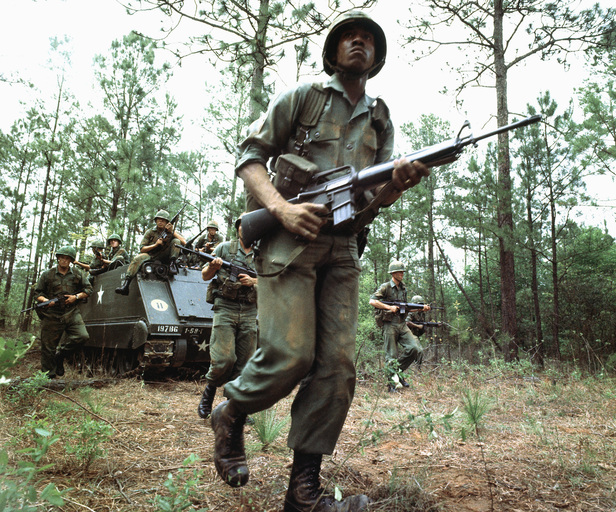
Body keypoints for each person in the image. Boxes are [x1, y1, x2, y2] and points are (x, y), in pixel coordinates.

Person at [210, 11, 431, 512]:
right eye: (350, 37)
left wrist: (396, 184)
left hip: (344, 249)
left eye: (369, 39)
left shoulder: (379, 116)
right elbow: (250, 158)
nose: (360, 43)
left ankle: (302, 492)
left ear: (377, 58)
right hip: (289, 243)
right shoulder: (304, 96)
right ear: (333, 51)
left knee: (337, 367)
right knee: (291, 355)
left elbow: (375, 196)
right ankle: (231, 411)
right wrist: (281, 209)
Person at [197, 216, 257, 419]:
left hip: (250, 311)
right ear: (238, 228)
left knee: (245, 363)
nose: (245, 229)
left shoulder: (263, 255)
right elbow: (205, 275)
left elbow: (275, 281)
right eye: (242, 225)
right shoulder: (224, 248)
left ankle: (235, 406)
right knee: (224, 359)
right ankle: (209, 393)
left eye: (250, 226)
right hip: (225, 308)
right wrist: (213, 266)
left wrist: (253, 281)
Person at [369, 261, 429, 392]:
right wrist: (388, 307)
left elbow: (404, 308)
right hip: (389, 325)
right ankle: (392, 384)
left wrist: (420, 309)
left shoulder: (403, 289)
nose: (402, 274)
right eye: (400, 272)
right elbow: (372, 301)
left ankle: (398, 372)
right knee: (391, 355)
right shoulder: (385, 287)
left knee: (415, 349)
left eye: (403, 272)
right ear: (393, 273)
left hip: (402, 324)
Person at [34, 246, 93, 378]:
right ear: (58, 258)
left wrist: (75, 297)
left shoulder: (78, 274)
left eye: (67, 258)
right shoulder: (47, 274)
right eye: (62, 258)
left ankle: (60, 355)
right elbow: (37, 293)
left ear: (71, 260)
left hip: (71, 312)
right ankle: (49, 377)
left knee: (82, 336)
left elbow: (88, 290)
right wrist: (46, 300)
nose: (64, 261)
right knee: (48, 347)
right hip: (52, 314)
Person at [115, 210, 186, 295]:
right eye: (158, 219)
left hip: (166, 255)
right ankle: (126, 285)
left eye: (163, 220)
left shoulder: (172, 231)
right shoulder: (150, 232)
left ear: (167, 222)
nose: (160, 221)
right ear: (155, 221)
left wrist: (172, 232)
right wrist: (155, 245)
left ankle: (172, 265)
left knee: (176, 241)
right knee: (137, 258)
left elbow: (184, 242)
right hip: (151, 255)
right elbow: (142, 248)